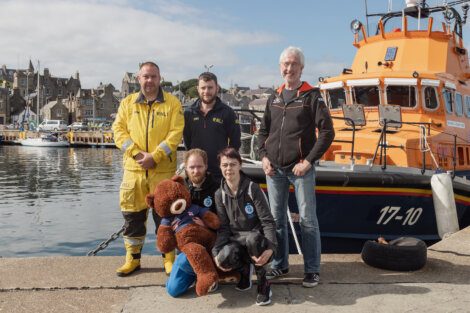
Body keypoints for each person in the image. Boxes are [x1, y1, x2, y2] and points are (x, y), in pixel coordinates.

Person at [257, 46, 335, 287]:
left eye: (293, 64)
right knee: (277, 220)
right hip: (275, 170)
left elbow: (327, 132)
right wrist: (264, 157)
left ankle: (312, 270)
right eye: (285, 64)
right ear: (281, 67)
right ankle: (280, 264)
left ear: (301, 68)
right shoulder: (274, 97)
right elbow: (263, 132)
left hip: (301, 169)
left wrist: (308, 161)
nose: (289, 68)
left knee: (308, 220)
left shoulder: (311, 96)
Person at [112, 61, 184, 277]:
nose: (149, 80)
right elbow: (118, 131)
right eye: (145, 76)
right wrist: (136, 153)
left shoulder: (172, 103)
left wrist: (156, 156)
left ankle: (169, 260)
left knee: (165, 219)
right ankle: (132, 260)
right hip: (133, 173)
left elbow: (175, 133)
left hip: (162, 173)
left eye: (153, 76)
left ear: (160, 78)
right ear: (138, 79)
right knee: (132, 218)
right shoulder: (127, 103)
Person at [212, 147, 277, 306]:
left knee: (253, 240)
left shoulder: (252, 188)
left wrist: (271, 247)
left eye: (233, 164)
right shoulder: (219, 194)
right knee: (225, 256)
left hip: (256, 239)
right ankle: (244, 271)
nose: (229, 169)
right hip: (237, 239)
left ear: (240, 165)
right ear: (220, 167)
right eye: (225, 165)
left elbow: (267, 221)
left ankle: (264, 283)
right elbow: (224, 228)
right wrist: (216, 254)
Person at [166, 148, 220, 297]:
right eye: (192, 167)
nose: (196, 171)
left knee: (184, 262)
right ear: (186, 167)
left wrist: (206, 225)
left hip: (208, 245)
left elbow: (223, 222)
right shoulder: (180, 188)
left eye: (199, 166)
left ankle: (210, 274)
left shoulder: (217, 189)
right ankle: (198, 274)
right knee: (173, 290)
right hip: (187, 245)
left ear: (206, 166)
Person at [183, 72, 241, 183]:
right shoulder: (188, 113)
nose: (206, 91)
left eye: (210, 87)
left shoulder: (228, 113)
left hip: (218, 173)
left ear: (217, 88)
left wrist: (225, 164)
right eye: (203, 88)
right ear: (198, 89)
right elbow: (187, 141)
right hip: (196, 172)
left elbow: (235, 143)